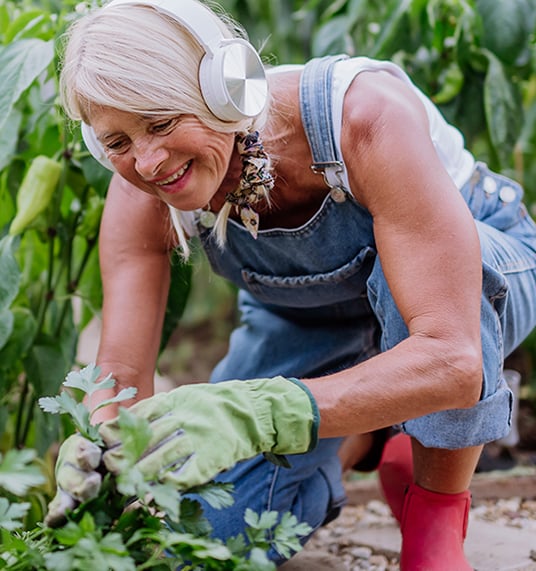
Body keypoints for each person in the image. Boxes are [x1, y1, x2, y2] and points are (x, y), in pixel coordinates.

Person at [47, 0, 536, 569]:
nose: (148, 162)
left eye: (160, 122)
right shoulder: (137, 189)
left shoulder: (361, 116)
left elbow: (452, 358)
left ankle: (436, 520)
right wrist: (100, 448)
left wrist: (257, 412)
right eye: (117, 142)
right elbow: (124, 375)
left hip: (466, 287)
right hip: (307, 315)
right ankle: (372, 439)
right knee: (208, 543)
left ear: (223, 86)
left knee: (442, 297)